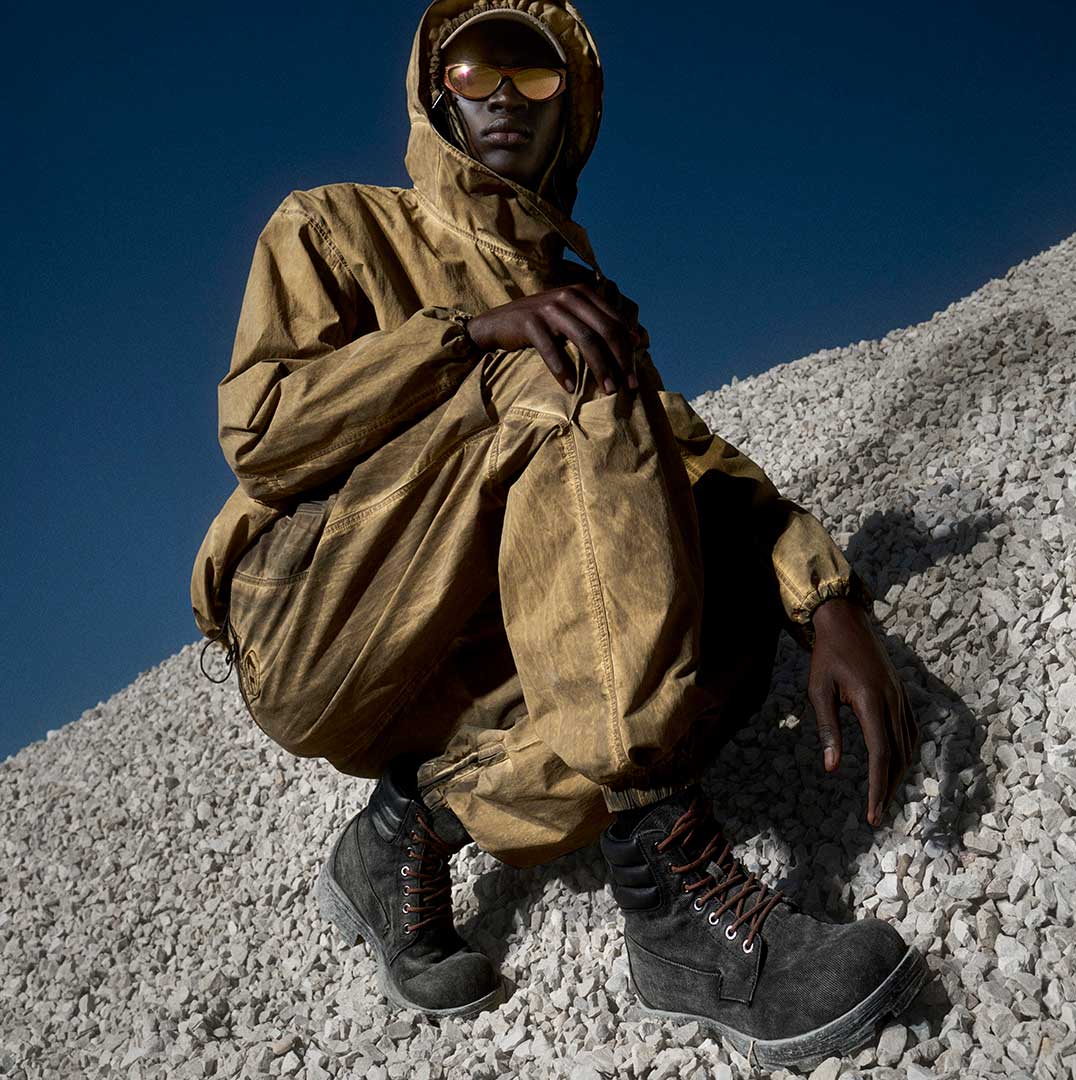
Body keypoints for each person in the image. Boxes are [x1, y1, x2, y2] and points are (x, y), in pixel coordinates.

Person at [191, 1, 928, 1070]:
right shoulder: (334, 227)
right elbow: (262, 432)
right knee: (556, 373)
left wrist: (826, 601)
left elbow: (695, 463)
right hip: (318, 615)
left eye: (533, 75)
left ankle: (408, 824)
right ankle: (671, 889)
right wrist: (465, 337)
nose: (503, 94)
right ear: (436, 91)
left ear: (569, 112)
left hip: (467, 653)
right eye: (475, 68)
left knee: (716, 611)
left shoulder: (577, 303)